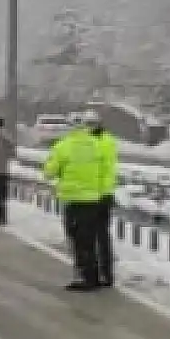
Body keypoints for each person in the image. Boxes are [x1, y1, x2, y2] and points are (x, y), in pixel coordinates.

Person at [43, 116, 114, 291]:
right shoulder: (97, 145)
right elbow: (106, 169)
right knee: (90, 239)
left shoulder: (63, 146)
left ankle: (86, 277)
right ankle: (95, 275)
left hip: (74, 199)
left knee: (78, 240)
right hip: (94, 198)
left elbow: (49, 172)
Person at [87, 109, 120, 289]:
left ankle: (94, 273)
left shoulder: (90, 144)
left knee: (90, 236)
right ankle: (107, 274)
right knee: (103, 236)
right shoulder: (109, 141)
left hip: (92, 194)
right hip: (105, 194)